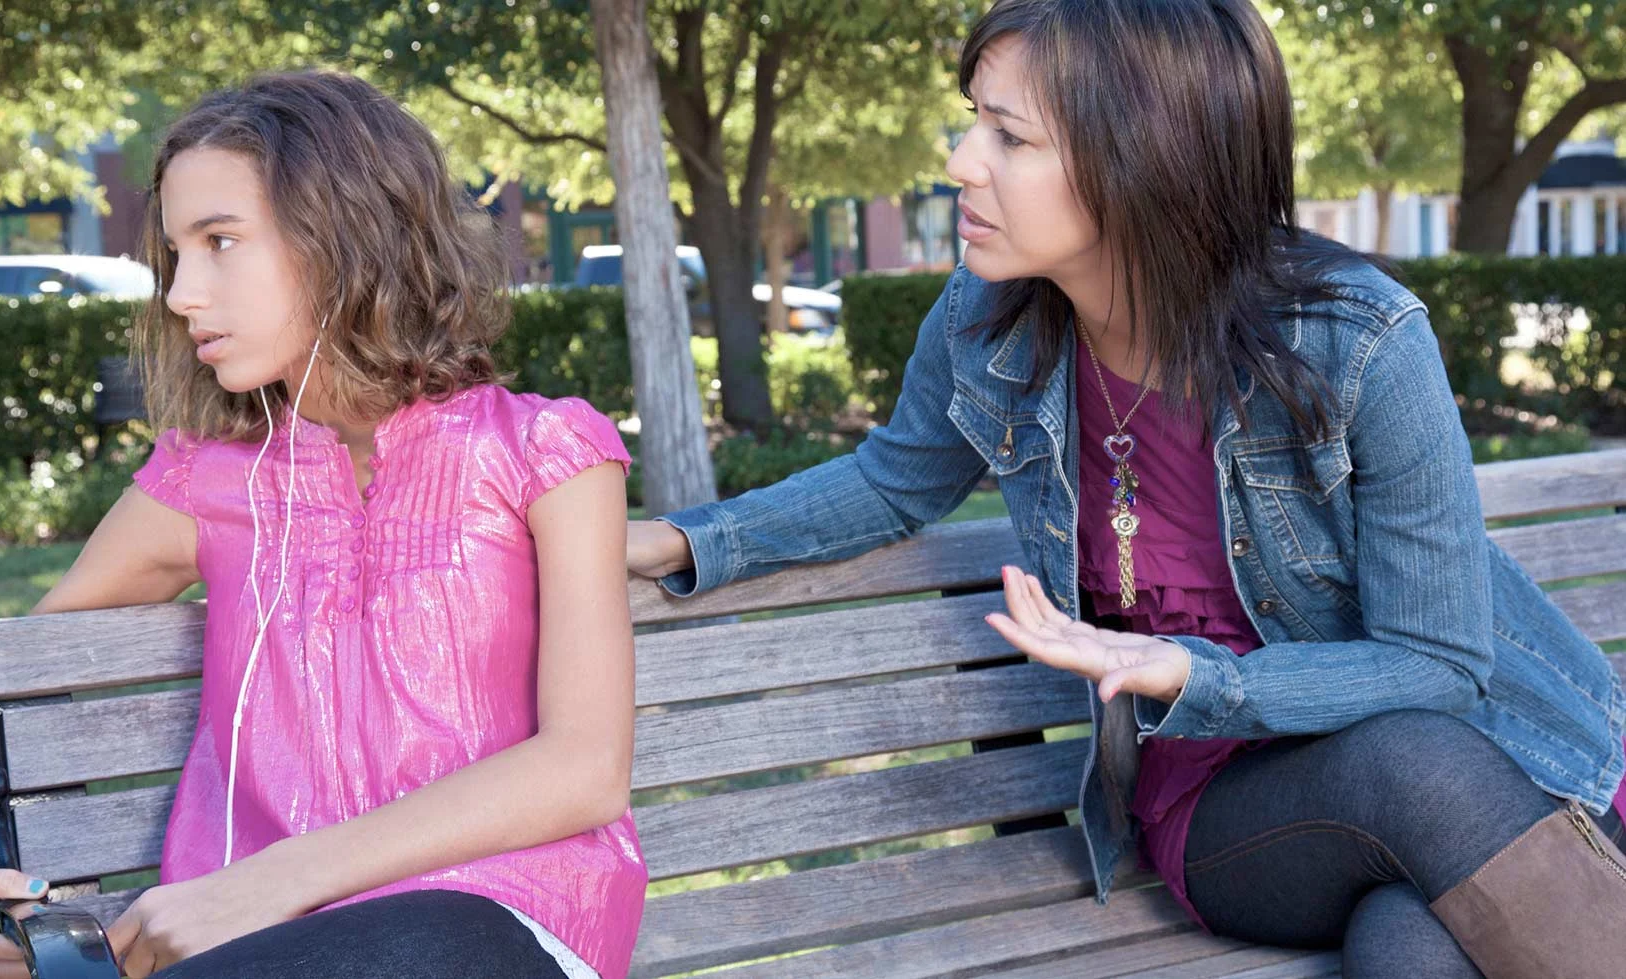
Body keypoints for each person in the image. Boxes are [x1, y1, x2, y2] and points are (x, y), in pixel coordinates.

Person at [627, 1, 1626, 975]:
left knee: (1412, 942)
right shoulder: (991, 321)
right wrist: (676, 541)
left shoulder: (1356, 340)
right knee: (1412, 769)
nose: (962, 161)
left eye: (1009, 136)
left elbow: (1436, 667)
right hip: (1233, 805)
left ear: (1143, 159)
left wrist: (1191, 671)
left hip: (1500, 769)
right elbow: (894, 481)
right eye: (976, 120)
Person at [0, 71, 645, 979]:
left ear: (347, 235)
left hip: (506, 921)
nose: (180, 293)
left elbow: (585, 764)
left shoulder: (548, 454)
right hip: (256, 950)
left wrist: (277, 879)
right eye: (177, 253)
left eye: (220, 242)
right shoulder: (203, 480)